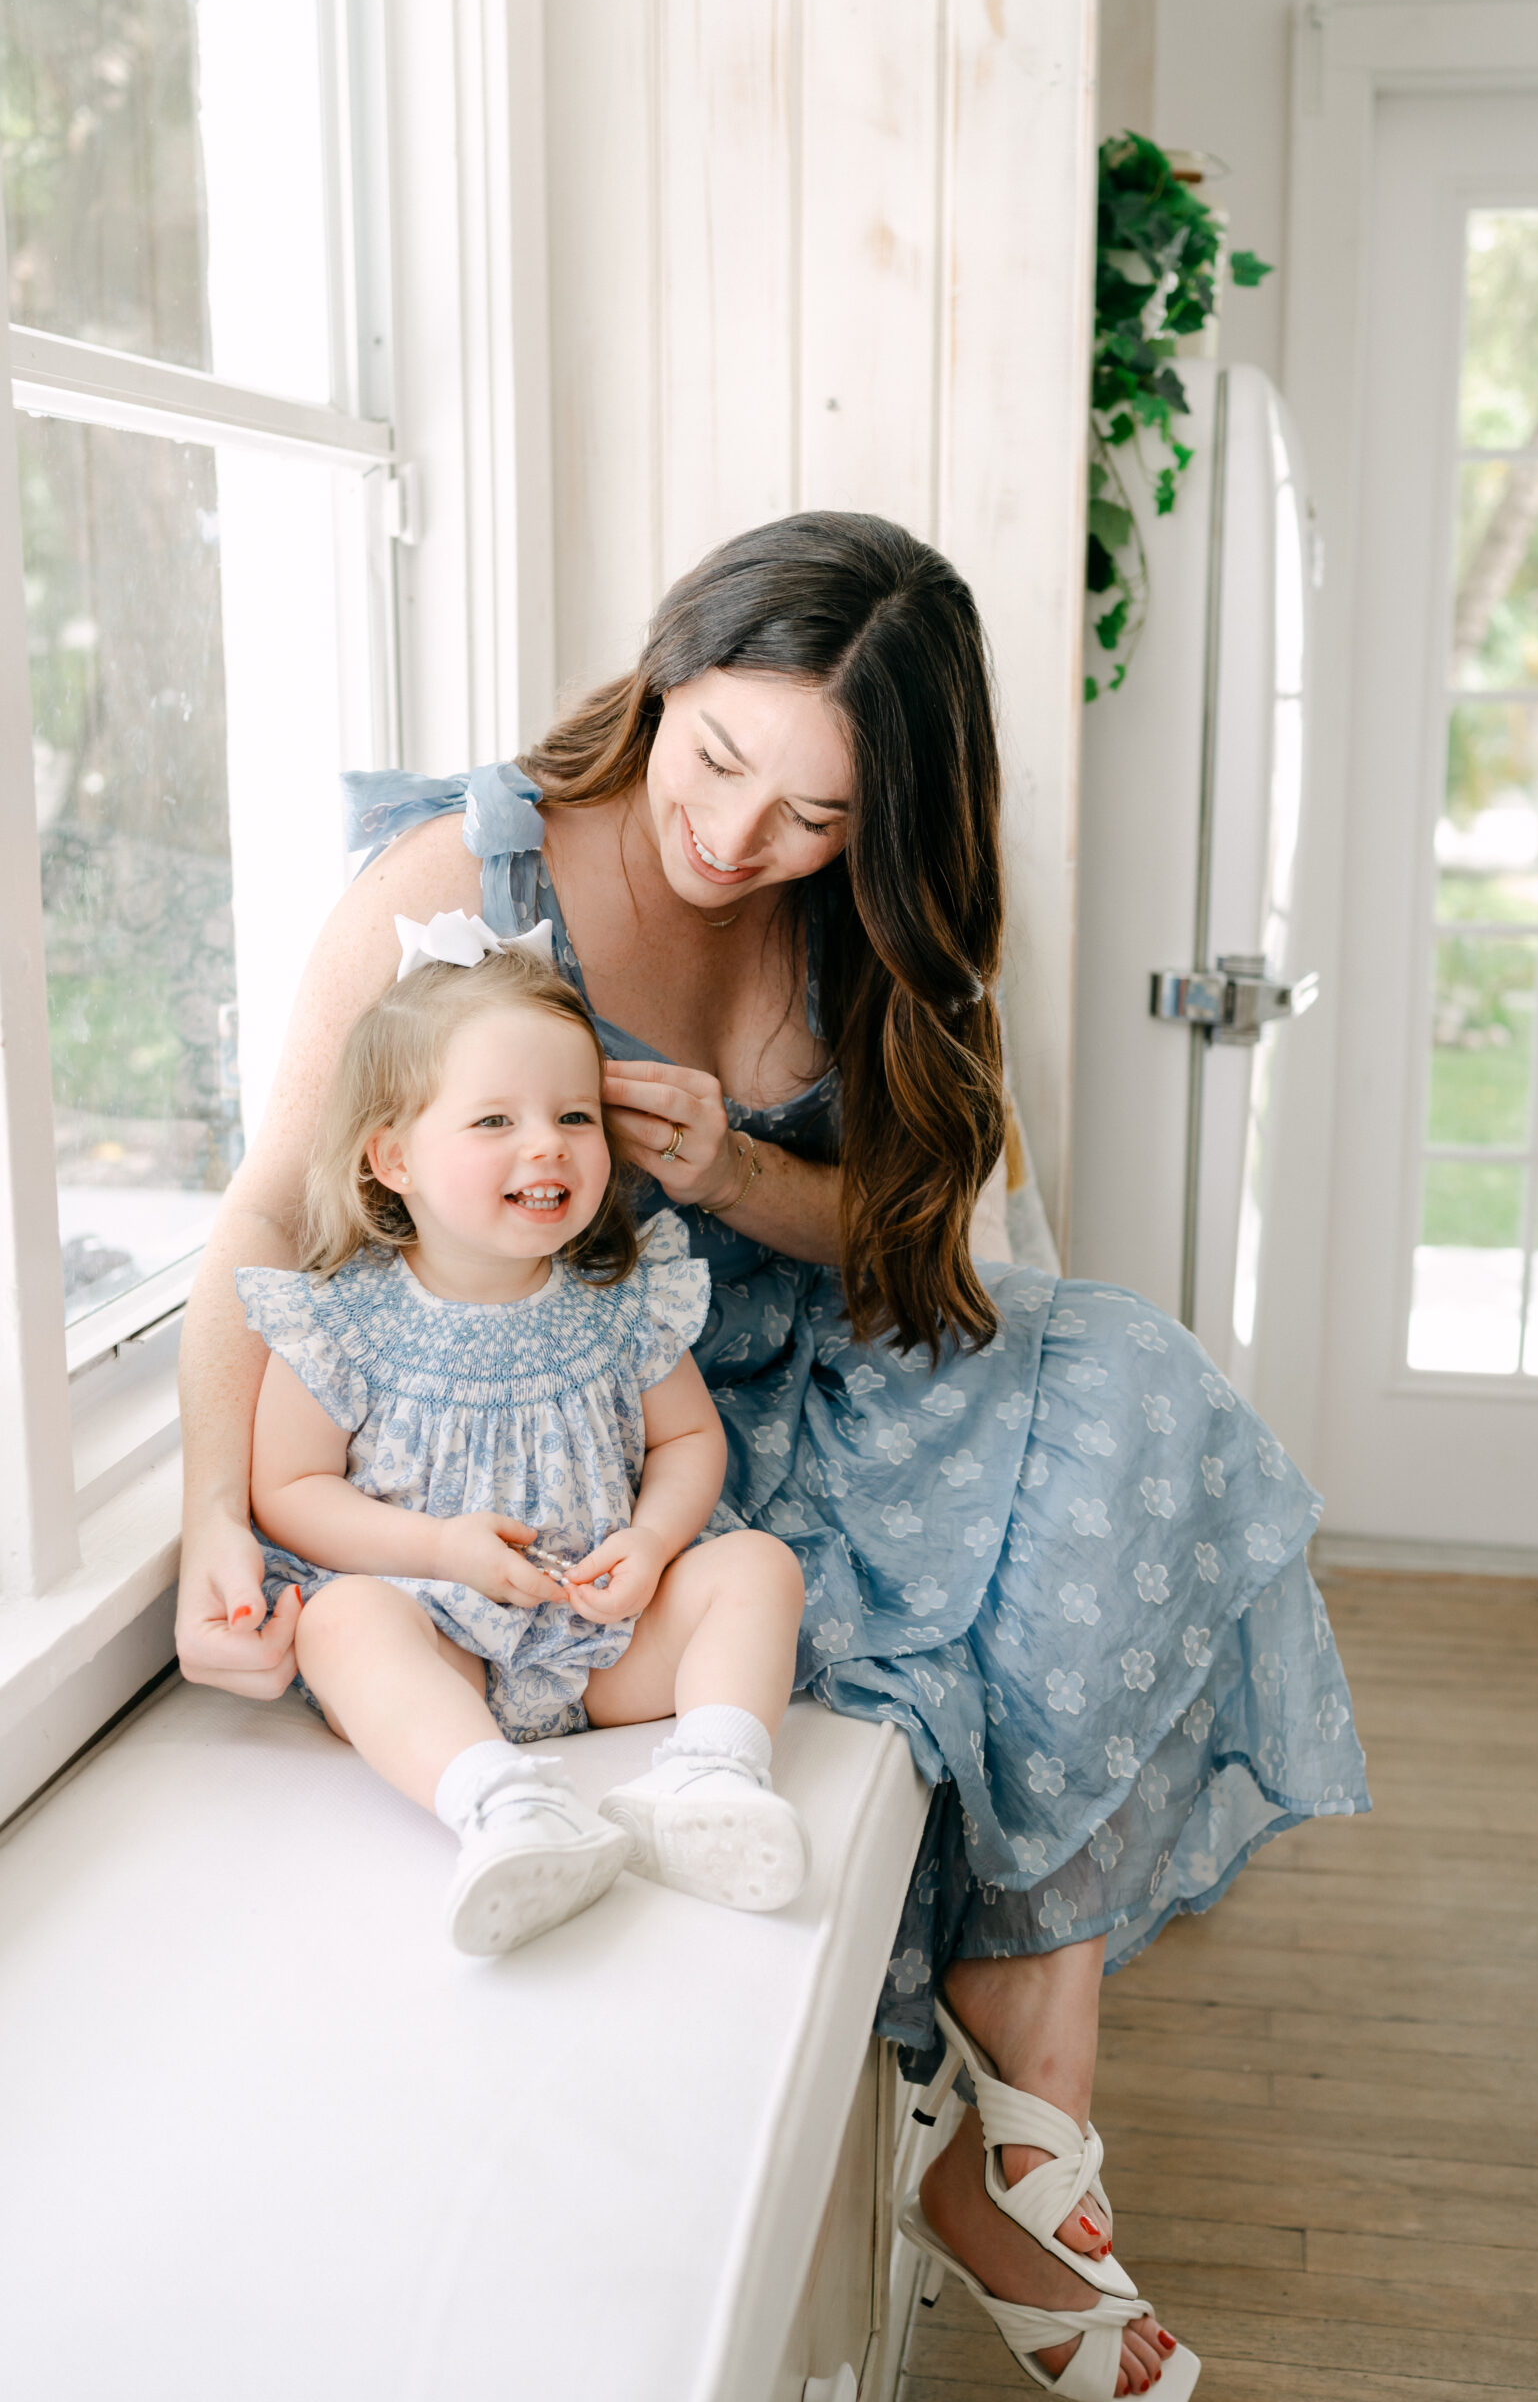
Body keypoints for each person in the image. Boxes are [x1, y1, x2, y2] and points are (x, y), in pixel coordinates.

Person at [175, 511, 1367, 2399]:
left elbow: (910, 1247)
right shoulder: (457, 878)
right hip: (577, 1428)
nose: (736, 842)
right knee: (897, 1602)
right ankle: (1019, 2177)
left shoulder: (873, 919)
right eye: (718, 760)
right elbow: (264, 1218)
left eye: (811, 818)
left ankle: (1028, 2141)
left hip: (802, 1375)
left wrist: (731, 1169)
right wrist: (201, 1520)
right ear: (666, 669)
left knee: (1144, 1401)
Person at [237, 929, 810, 1954]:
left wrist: (650, 1541)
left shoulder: (615, 1299)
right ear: (394, 1155)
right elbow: (288, 1487)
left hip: (601, 1638)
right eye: (495, 1119)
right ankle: (502, 1805)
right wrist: (439, 1549)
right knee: (339, 1624)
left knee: (757, 1567)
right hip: (439, 1640)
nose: (545, 1143)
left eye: (573, 1116)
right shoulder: (348, 1319)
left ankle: (710, 1778)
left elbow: (687, 1442)